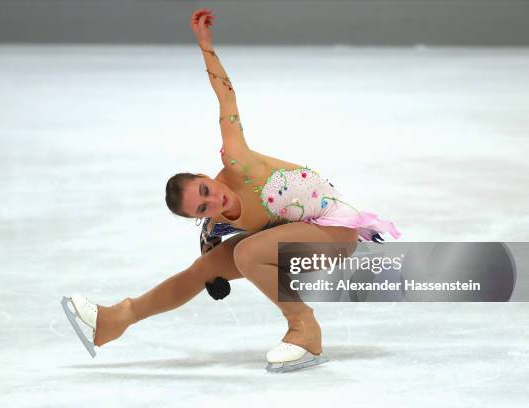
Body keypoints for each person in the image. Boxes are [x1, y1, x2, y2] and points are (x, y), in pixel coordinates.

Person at [62, 8, 401, 372]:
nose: (214, 201)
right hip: (295, 239)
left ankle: (304, 329)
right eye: (202, 208)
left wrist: (205, 45)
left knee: (250, 252)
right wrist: (212, 271)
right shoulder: (216, 223)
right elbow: (209, 266)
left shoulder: (238, 161)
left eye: (205, 189)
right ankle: (116, 319)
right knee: (202, 269)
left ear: (206, 175)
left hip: (336, 232)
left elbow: (226, 98)